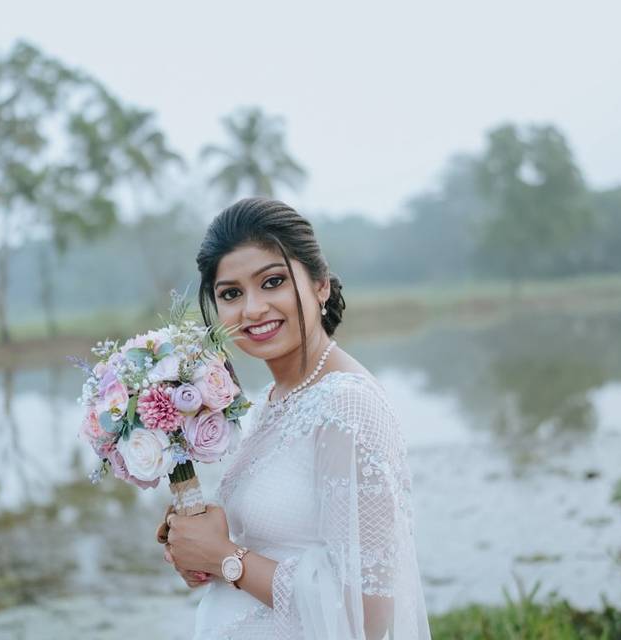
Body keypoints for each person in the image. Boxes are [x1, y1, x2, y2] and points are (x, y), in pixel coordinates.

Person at [159, 197, 431, 640]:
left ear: (320, 284)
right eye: (231, 293)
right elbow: (278, 542)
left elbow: (368, 613)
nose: (252, 309)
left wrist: (228, 559)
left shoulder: (347, 405)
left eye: (273, 282)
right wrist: (202, 546)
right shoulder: (271, 398)